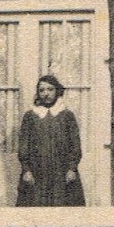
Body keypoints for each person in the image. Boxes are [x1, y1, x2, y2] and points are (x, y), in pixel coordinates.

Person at [17, 74, 85, 207]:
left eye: (50, 89)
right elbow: (23, 145)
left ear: (57, 91)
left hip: (61, 170)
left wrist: (72, 168)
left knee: (63, 207)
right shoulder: (31, 116)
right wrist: (26, 170)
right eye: (41, 90)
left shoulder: (66, 115)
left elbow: (75, 145)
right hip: (37, 170)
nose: (46, 94)